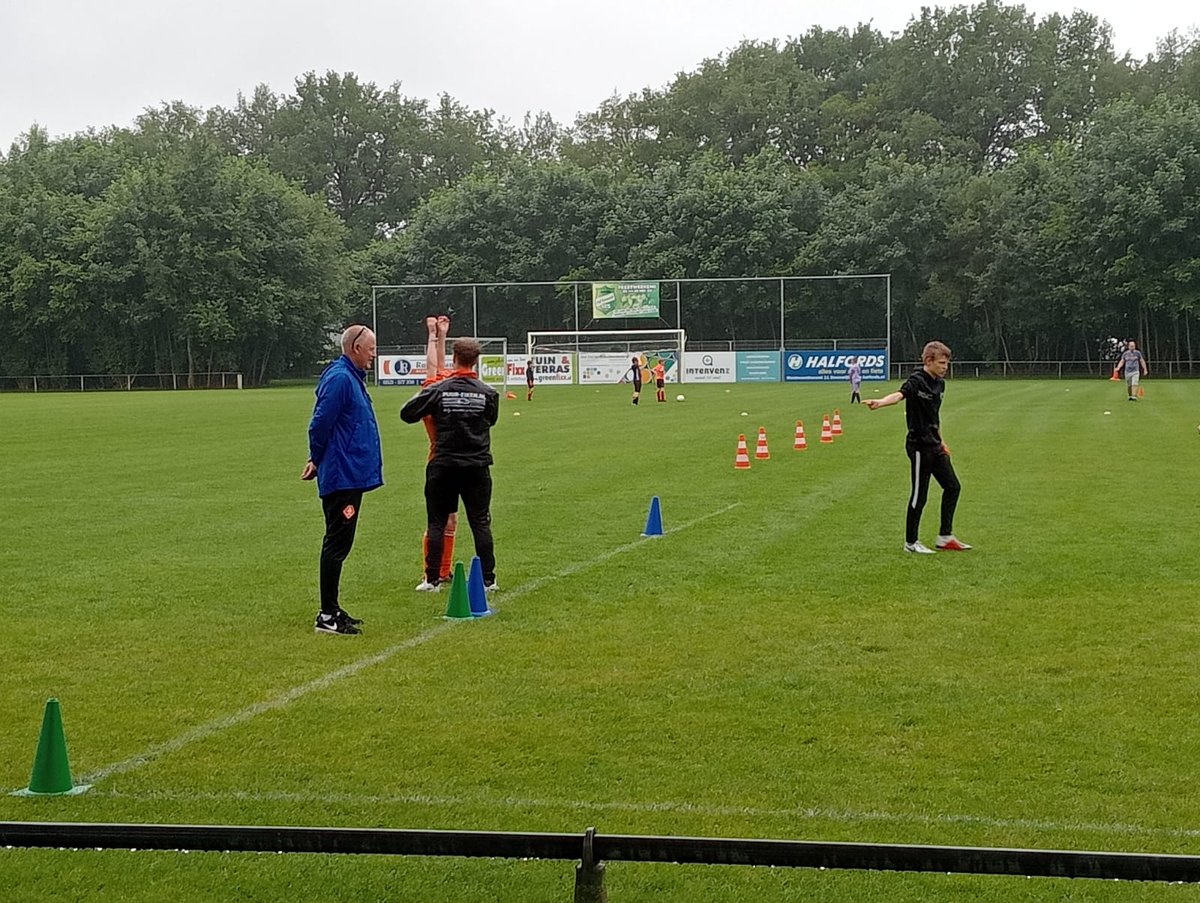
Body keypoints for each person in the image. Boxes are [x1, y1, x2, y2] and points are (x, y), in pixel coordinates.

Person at [401, 337, 500, 592]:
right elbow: (491, 420)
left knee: (436, 521)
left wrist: (425, 393)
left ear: (454, 358)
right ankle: (489, 580)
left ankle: (431, 580)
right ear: (476, 361)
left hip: (443, 464)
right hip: (476, 465)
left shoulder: (438, 390)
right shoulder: (488, 393)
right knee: (480, 521)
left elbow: (407, 413)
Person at [302, 324, 383, 635]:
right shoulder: (339, 379)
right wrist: (316, 458)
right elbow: (319, 423)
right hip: (342, 473)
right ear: (356, 348)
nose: (375, 354)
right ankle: (326, 615)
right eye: (372, 349)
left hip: (350, 472)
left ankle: (333, 608)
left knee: (341, 542)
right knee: (337, 542)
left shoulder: (351, 378)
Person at [865, 341, 970, 555]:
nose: (945, 367)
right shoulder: (916, 381)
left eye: (947, 363)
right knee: (919, 495)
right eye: (941, 363)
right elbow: (898, 396)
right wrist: (880, 402)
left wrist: (942, 440)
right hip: (919, 446)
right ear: (928, 361)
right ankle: (911, 543)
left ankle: (945, 537)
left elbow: (934, 416)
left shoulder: (940, 384)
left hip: (935, 444)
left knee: (953, 487)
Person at [417, 314, 457, 587]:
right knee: (439, 521)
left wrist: (441, 337)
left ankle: (444, 571)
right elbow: (432, 370)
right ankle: (432, 572)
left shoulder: (449, 396)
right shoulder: (432, 404)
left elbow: (439, 369)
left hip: (455, 463)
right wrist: (433, 336)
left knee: (451, 520)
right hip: (440, 462)